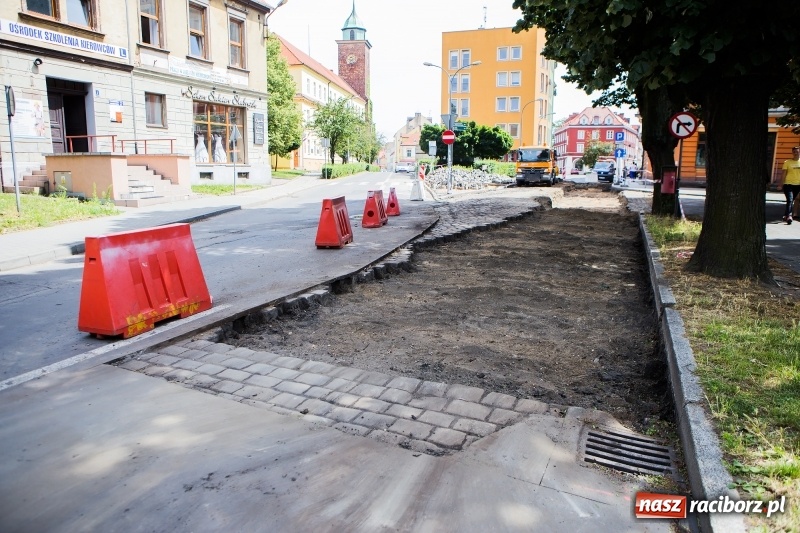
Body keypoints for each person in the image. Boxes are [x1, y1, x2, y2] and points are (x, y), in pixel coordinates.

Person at [778, 146, 800, 225]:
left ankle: (785, 215)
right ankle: (789, 216)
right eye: (794, 152)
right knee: (790, 200)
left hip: (798, 185)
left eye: (797, 151)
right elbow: (783, 174)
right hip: (788, 184)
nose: (796, 153)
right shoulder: (787, 162)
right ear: (792, 153)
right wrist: (780, 184)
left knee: (791, 201)